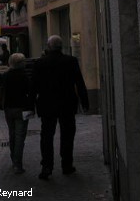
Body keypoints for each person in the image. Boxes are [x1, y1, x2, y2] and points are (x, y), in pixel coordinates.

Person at [31, 35, 89, 180]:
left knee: (46, 136)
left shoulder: (40, 63)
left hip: (47, 104)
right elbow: (79, 83)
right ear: (61, 47)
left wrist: (30, 105)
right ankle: (67, 165)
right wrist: (85, 102)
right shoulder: (71, 61)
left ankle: (47, 166)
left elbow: (33, 86)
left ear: (48, 47)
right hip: (67, 104)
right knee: (68, 135)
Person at [2, 53, 34, 175]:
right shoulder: (25, 76)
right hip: (23, 108)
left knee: (12, 134)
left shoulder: (5, 76)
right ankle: (17, 163)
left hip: (8, 108)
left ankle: (13, 159)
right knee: (20, 136)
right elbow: (29, 92)